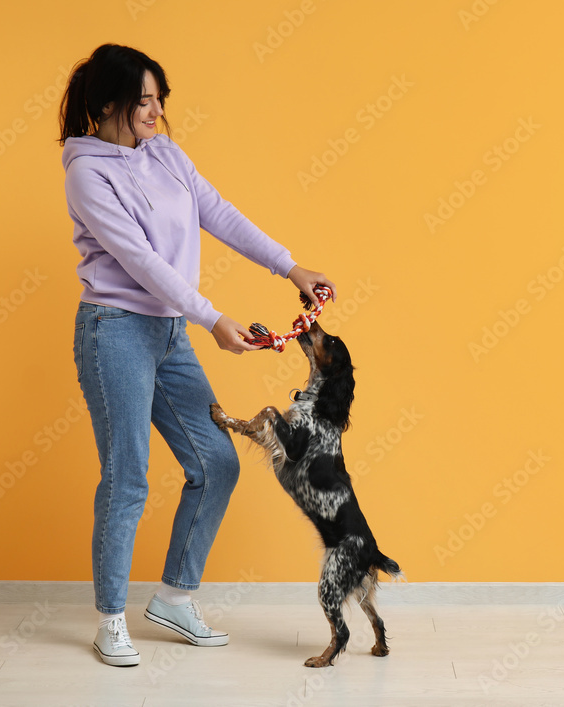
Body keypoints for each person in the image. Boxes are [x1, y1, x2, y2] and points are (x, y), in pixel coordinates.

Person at [58, 43, 335, 667]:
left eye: (160, 99)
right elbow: (141, 261)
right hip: (116, 331)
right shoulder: (86, 172)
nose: (156, 111)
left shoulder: (165, 153)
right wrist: (211, 318)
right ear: (109, 104)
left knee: (217, 463)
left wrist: (291, 267)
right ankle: (109, 619)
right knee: (128, 476)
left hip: (168, 332)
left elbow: (220, 214)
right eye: (144, 101)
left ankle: (175, 597)